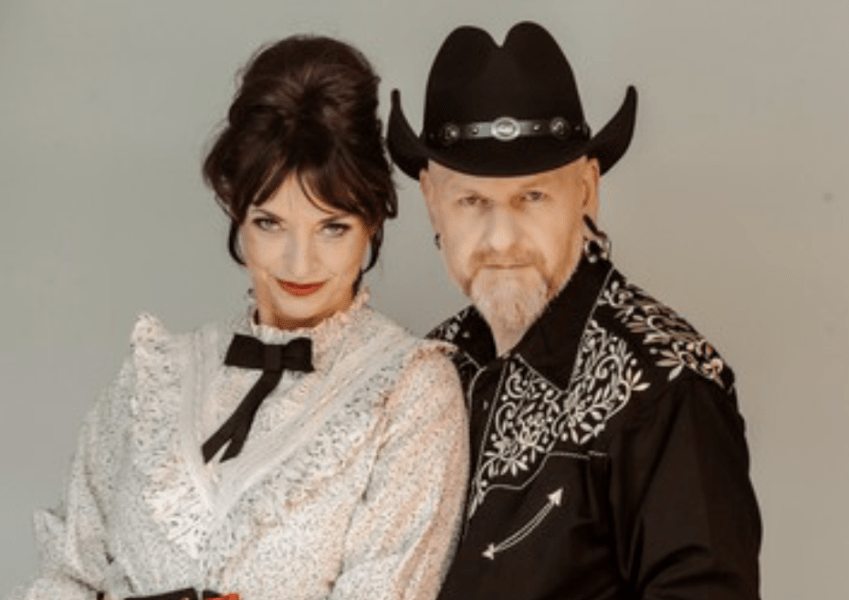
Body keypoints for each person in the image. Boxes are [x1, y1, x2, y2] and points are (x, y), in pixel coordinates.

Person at [8, 35, 468, 600]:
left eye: (333, 227)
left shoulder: (409, 393)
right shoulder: (156, 376)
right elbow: (64, 574)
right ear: (233, 205)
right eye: (270, 223)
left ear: (374, 221)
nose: (301, 263)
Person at [387, 21, 761, 600]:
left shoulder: (666, 386)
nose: (501, 238)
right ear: (432, 202)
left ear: (586, 191)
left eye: (531, 196)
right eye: (471, 201)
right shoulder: (427, 369)